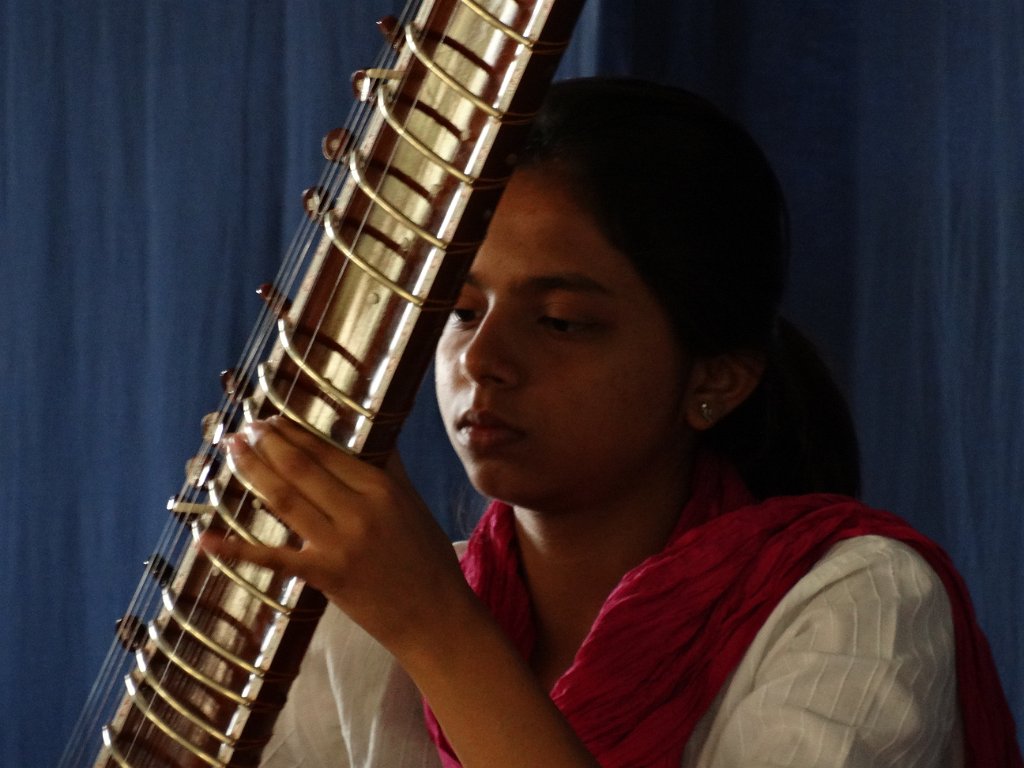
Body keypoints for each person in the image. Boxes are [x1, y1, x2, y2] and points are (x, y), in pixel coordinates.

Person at [199, 78, 1021, 767]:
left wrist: (434, 625)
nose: (483, 360)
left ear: (715, 379)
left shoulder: (854, 601)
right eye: (462, 311)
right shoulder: (365, 619)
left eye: (560, 321)